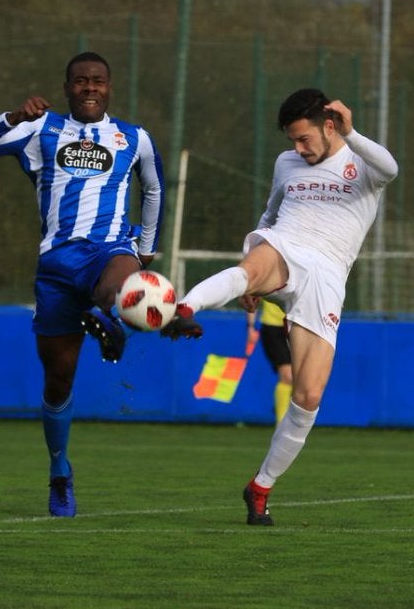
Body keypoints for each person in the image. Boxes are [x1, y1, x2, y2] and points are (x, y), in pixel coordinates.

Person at [160, 88, 398, 526]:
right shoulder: (286, 164)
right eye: (292, 140)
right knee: (251, 270)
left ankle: (260, 486)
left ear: (330, 125)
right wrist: (253, 265)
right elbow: (268, 219)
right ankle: (184, 308)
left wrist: (354, 133)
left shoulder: (363, 162)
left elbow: (392, 167)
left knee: (307, 396)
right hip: (286, 244)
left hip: (327, 275)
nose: (297, 149)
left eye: (304, 139)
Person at [0, 51, 165, 518]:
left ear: (109, 88)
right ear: (67, 86)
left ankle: (107, 315)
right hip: (55, 264)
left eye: (98, 81)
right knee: (58, 380)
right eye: (80, 81)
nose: (89, 88)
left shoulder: (134, 138)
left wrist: (146, 247)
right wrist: (12, 115)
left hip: (109, 249)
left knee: (126, 287)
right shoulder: (39, 130)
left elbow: (153, 188)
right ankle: (59, 470)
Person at [254, 299, 292, 426]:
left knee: (300, 378)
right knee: (287, 376)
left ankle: (292, 419)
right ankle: (281, 423)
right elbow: (251, 296)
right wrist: (250, 326)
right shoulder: (266, 278)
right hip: (273, 327)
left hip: (296, 325)